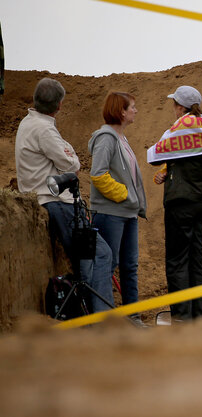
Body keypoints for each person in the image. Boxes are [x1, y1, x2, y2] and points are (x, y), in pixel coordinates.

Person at [15, 78, 114, 313]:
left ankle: (91, 316)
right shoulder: (44, 129)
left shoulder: (28, 124)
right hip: (59, 203)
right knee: (100, 255)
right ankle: (103, 320)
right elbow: (72, 165)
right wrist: (70, 156)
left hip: (51, 201)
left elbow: (65, 161)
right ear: (59, 105)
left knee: (87, 260)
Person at [149, 86, 202, 321]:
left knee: (177, 260)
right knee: (198, 259)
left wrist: (165, 166)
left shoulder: (178, 128)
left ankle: (182, 318)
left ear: (180, 106)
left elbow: (154, 155)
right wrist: (170, 169)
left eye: (174, 104)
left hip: (180, 202)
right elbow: (191, 158)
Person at [88, 92, 147, 324]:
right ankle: (104, 320)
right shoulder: (106, 138)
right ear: (121, 111)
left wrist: (130, 202)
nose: (136, 111)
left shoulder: (121, 138)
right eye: (132, 107)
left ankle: (133, 318)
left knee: (129, 266)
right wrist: (124, 195)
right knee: (107, 265)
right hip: (111, 213)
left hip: (127, 213)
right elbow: (98, 174)